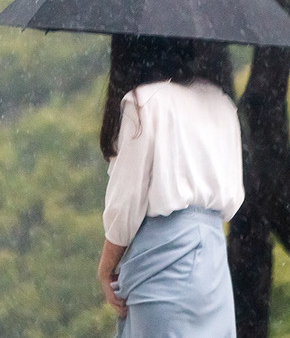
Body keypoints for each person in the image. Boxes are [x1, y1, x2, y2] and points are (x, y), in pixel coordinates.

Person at [97, 34, 245, 337]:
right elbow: (231, 202)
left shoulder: (145, 102)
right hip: (213, 266)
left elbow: (126, 204)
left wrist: (105, 267)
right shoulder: (220, 103)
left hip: (162, 264)